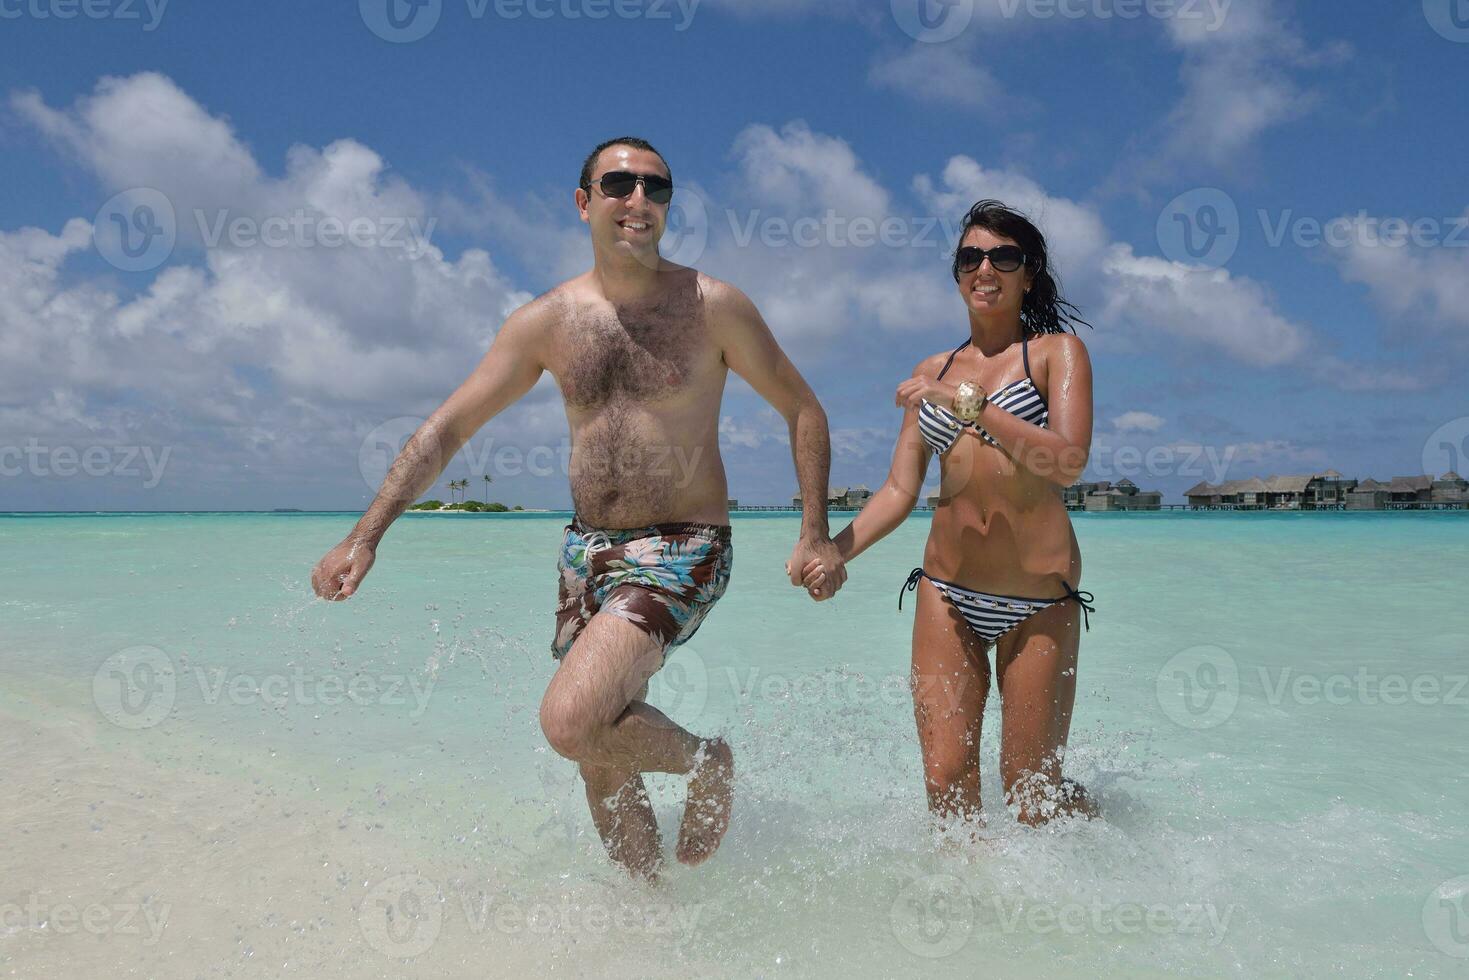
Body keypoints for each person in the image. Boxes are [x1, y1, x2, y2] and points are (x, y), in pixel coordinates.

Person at [310, 137, 846, 878]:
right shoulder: (546, 321)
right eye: (619, 184)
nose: (639, 201)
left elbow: (803, 408)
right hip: (585, 553)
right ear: (583, 201)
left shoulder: (713, 307)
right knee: (601, 752)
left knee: (569, 720)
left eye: (656, 188)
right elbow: (450, 426)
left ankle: (705, 763)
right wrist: (365, 536)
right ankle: (648, 917)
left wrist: (814, 532)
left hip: (681, 548)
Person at [800, 199, 1098, 828]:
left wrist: (965, 402)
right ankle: (968, 908)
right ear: (957, 272)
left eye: (1003, 256)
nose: (984, 268)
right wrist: (834, 550)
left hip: (1038, 599)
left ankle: (1094, 830)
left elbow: (1066, 461)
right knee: (945, 776)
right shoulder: (929, 369)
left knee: (1030, 791)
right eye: (970, 257)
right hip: (947, 591)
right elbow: (899, 490)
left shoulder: (1053, 354)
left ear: (1029, 271)